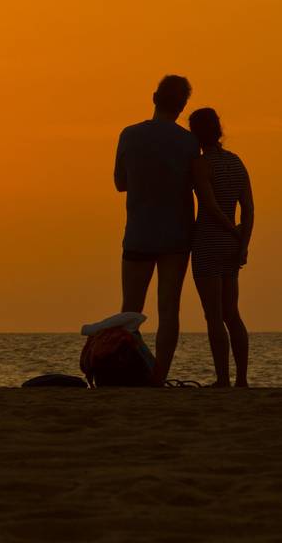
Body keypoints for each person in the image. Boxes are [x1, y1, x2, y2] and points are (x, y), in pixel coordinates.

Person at [113, 75, 200, 384]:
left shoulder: (130, 135)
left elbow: (120, 183)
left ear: (154, 97)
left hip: (139, 230)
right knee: (168, 309)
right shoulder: (189, 142)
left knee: (130, 310)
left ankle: (124, 370)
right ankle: (159, 376)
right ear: (182, 106)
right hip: (176, 234)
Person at [188, 108, 254, 387]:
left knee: (213, 315)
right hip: (231, 244)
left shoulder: (201, 165)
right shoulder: (237, 162)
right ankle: (241, 379)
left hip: (208, 241)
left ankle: (223, 379)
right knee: (232, 313)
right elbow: (249, 209)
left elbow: (209, 206)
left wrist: (230, 230)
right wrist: (242, 241)